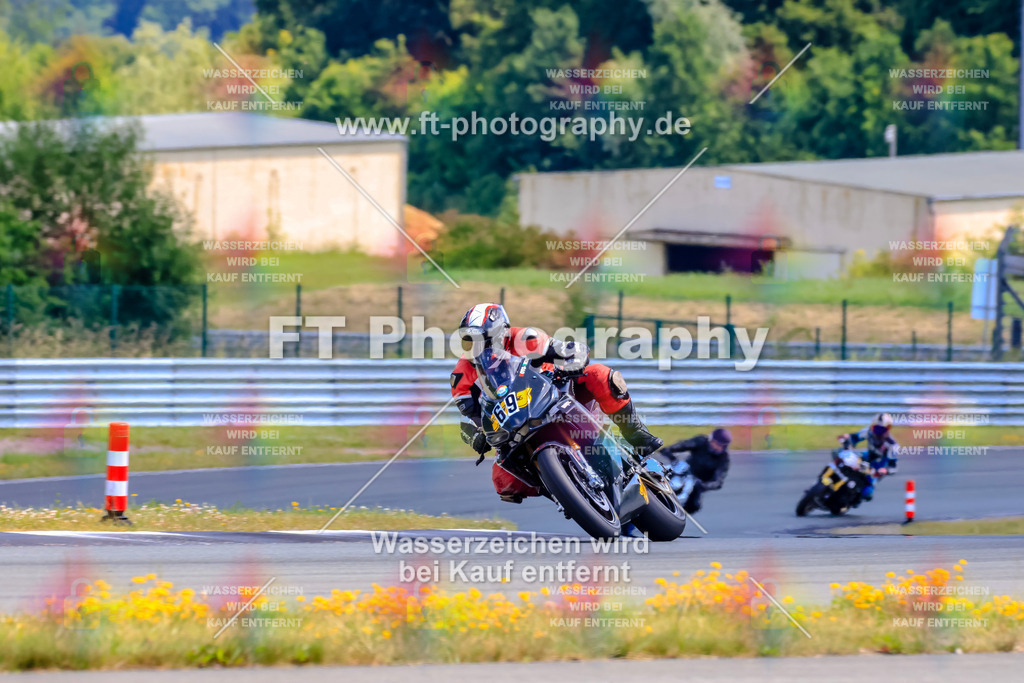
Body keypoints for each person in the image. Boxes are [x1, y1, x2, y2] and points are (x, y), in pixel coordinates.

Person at [450, 303, 663, 500]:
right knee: (503, 481)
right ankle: (563, 491)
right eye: (467, 340)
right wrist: (477, 436)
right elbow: (470, 418)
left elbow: (562, 350)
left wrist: (573, 358)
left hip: (554, 392)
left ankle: (636, 435)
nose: (473, 346)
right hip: (512, 425)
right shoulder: (461, 375)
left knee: (599, 375)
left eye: (478, 339)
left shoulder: (524, 337)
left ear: (499, 333)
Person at [658, 428, 732, 514]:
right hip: (686, 469)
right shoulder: (701, 441)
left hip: (698, 482)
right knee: (666, 469)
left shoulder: (724, 459)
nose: (717, 447)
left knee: (694, 505)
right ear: (711, 439)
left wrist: (703, 485)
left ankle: (674, 514)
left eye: (721, 445)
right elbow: (684, 444)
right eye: (715, 443)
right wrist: (670, 450)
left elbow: (718, 481)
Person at [839, 412, 899, 501]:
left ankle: (853, 500)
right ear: (873, 426)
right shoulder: (868, 432)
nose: (878, 432)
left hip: (876, 468)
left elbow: (893, 467)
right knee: (841, 454)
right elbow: (854, 438)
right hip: (867, 456)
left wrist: (885, 470)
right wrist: (847, 439)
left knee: (867, 493)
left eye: (882, 429)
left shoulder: (892, 445)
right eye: (876, 428)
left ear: (888, 428)